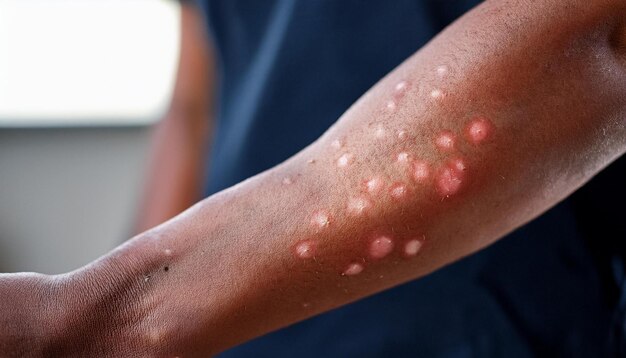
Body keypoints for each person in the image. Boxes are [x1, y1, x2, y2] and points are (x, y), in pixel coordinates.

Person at [1, 0, 625, 356]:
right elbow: (201, 92)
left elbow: (600, 39)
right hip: (235, 329)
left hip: (490, 319)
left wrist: (120, 315)